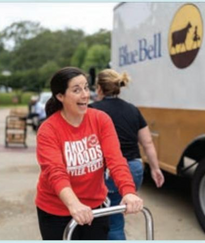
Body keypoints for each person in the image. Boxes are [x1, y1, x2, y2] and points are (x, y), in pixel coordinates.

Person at [35, 67, 144, 240]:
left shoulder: (101, 119)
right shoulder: (48, 129)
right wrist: (74, 204)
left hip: (95, 206)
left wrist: (128, 191)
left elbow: (115, 159)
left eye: (86, 87)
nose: (85, 94)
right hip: (56, 211)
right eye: (76, 90)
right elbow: (55, 172)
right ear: (60, 96)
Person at [89, 69, 164, 240]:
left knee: (104, 222)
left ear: (99, 88)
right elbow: (147, 143)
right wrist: (155, 169)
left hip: (108, 170)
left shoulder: (92, 110)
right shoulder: (132, 110)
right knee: (116, 216)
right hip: (134, 169)